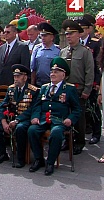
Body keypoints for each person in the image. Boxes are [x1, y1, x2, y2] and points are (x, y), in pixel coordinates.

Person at [28, 57, 81, 176]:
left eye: (56, 72)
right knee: (32, 130)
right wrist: (35, 116)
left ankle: (50, 162)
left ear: (63, 75)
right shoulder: (44, 88)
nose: (53, 74)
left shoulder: (69, 89)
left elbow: (77, 109)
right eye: (51, 71)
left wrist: (70, 119)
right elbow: (37, 105)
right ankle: (39, 159)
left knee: (56, 133)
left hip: (60, 121)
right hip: (43, 120)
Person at [0, 64, 39, 167]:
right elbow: (3, 106)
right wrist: (4, 121)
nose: (15, 79)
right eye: (14, 76)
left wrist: (17, 120)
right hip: (10, 118)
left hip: (24, 119)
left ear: (25, 77)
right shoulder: (11, 89)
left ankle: (20, 158)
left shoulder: (33, 91)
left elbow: (32, 109)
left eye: (18, 76)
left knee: (20, 128)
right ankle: (2, 153)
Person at [59, 20, 94, 155]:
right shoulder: (63, 51)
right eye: (67, 34)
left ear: (78, 35)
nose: (68, 36)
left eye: (71, 33)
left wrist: (87, 90)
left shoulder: (85, 52)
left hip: (79, 90)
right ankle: (67, 141)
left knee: (79, 117)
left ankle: (79, 142)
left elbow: (89, 72)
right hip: (65, 90)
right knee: (65, 115)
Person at [75, 17, 102, 145]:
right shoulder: (76, 43)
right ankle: (81, 133)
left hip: (93, 82)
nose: (80, 32)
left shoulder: (96, 43)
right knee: (81, 110)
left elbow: (98, 65)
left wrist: (96, 83)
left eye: (83, 29)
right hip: (80, 82)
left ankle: (96, 134)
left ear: (89, 29)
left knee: (94, 109)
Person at [30, 22, 60, 87]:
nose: (43, 38)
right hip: (38, 83)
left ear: (52, 37)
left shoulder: (58, 50)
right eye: (42, 35)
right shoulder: (37, 48)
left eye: (45, 36)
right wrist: (32, 84)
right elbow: (33, 68)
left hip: (52, 84)